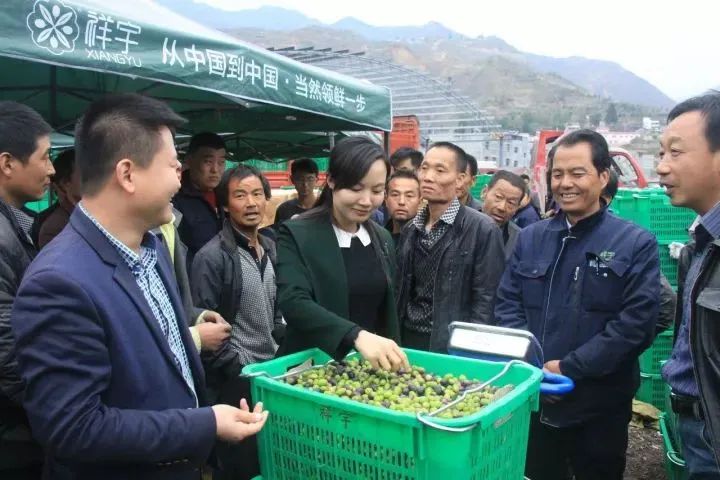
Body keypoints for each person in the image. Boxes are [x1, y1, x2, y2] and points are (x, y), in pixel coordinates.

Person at [10, 94, 267, 480]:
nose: (180, 177)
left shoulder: (151, 246)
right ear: (127, 174)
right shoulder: (58, 283)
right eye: (173, 165)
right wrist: (205, 423)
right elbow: (75, 430)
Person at [494, 129, 660, 480]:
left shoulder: (634, 242)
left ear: (603, 176)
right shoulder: (532, 238)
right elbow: (508, 303)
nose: (565, 183)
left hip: (599, 406)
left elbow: (635, 324)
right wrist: (530, 363)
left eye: (577, 173)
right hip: (536, 397)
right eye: (557, 174)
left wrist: (572, 367)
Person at [276, 136, 408, 371]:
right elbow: (293, 302)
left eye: (377, 190)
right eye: (356, 188)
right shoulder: (297, 233)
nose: (366, 201)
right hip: (312, 368)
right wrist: (355, 336)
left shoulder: (382, 238)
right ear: (332, 181)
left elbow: (386, 313)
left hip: (365, 370)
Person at [192, 165, 280, 480]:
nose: (251, 203)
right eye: (240, 195)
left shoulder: (270, 247)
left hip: (271, 372)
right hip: (237, 378)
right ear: (226, 205)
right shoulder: (212, 257)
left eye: (257, 194)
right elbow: (204, 323)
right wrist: (237, 366)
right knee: (240, 464)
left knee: (269, 457)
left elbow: (276, 307)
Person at [658, 91, 720, 478]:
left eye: (676, 152)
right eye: (661, 153)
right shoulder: (700, 241)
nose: (662, 167)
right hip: (697, 428)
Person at [395, 142, 505, 353]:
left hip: (451, 343)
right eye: (424, 168)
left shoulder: (483, 229)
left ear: (460, 179)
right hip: (408, 339)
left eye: (440, 170)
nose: (428, 177)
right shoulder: (411, 228)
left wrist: (471, 350)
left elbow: (486, 299)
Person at [0, 101, 53, 479]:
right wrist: (53, 408)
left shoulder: (17, 225)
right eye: (45, 157)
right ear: (7, 164)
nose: (52, 169)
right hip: (13, 434)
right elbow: (6, 346)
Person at [601, 169, 677, 336]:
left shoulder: (624, 240)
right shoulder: (550, 235)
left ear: (605, 197)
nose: (567, 185)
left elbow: (666, 304)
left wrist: (620, 342)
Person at [173, 132, 226, 265]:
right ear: (189, 160)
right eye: (208, 162)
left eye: (221, 162)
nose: (215, 169)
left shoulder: (226, 194)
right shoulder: (175, 198)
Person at [37, 148, 81, 249]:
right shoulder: (54, 227)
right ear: (65, 183)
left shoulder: (99, 213)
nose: (92, 179)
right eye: (84, 175)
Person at [479, 170, 525, 259]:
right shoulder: (461, 223)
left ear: (517, 207)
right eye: (498, 197)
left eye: (511, 202)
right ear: (484, 192)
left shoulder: (520, 240)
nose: (502, 207)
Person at [273, 158, 318, 225]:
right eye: (300, 179)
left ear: (316, 180)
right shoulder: (284, 210)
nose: (305, 184)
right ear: (292, 180)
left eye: (310, 179)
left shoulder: (325, 209)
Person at [384, 170, 421, 243]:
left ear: (420, 201)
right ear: (386, 199)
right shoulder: (377, 238)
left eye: (409, 196)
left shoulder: (425, 241)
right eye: (395, 195)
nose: (401, 202)